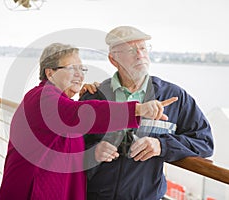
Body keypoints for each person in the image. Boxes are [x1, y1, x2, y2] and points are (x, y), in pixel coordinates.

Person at [0, 42, 177, 200]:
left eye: (81, 69)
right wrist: (138, 109)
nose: (80, 75)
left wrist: (93, 154)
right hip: (33, 190)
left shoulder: (60, 103)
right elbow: (82, 114)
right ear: (50, 73)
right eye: (72, 68)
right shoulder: (42, 98)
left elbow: (64, 146)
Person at [80, 26, 214, 200]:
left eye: (143, 48)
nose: (140, 54)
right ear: (113, 59)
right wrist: (93, 152)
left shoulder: (175, 97)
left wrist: (162, 145)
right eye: (130, 50)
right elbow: (67, 148)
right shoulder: (94, 96)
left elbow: (204, 143)